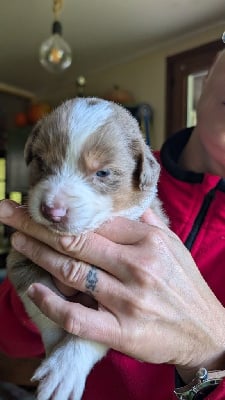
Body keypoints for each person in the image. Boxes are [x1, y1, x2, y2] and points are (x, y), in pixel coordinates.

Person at [1, 49, 225, 400]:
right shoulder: (130, 159)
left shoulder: (135, 183)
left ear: (142, 178)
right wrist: (46, 289)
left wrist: (212, 352)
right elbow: (7, 332)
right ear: (210, 73)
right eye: (45, 165)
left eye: (101, 174)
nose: (54, 203)